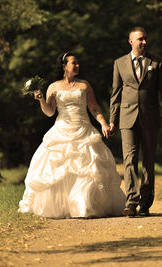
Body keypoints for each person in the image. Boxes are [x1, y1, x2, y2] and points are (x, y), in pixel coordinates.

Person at [18, 52, 126, 218]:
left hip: (84, 129)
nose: (77, 66)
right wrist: (40, 100)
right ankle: (61, 206)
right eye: (73, 63)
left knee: (88, 169)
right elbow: (50, 112)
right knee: (58, 169)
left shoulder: (84, 85)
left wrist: (104, 123)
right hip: (61, 129)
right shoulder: (53, 87)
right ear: (64, 66)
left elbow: (94, 107)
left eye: (78, 63)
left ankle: (84, 206)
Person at [109, 27, 162, 217]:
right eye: (140, 39)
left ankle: (145, 203)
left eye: (145, 39)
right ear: (131, 41)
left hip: (150, 117)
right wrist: (112, 121)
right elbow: (116, 94)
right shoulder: (119, 63)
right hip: (127, 118)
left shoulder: (157, 62)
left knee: (148, 161)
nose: (144, 42)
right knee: (129, 160)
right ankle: (131, 201)